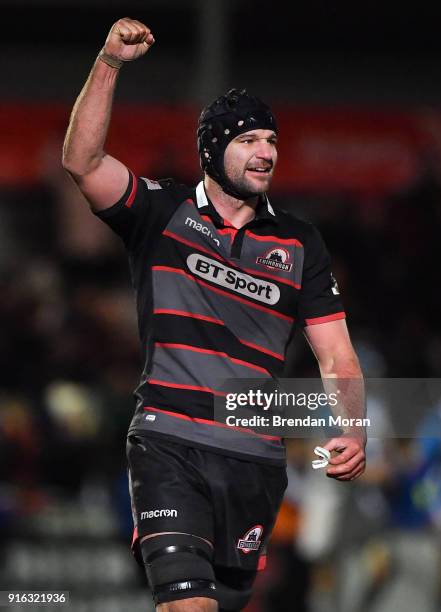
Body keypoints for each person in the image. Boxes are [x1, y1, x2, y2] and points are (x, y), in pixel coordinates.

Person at [62, 17, 366, 612]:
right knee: (188, 606)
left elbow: (336, 354)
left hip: (254, 458)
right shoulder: (160, 210)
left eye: (272, 142)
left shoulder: (301, 242)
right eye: (250, 140)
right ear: (211, 148)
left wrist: (352, 426)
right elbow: (82, 160)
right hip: (167, 442)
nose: (267, 153)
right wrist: (109, 62)